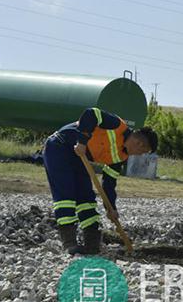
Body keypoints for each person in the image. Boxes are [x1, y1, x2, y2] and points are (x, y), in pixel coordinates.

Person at [43, 107, 157, 255]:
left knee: (86, 198)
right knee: (66, 195)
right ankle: (69, 242)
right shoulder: (116, 125)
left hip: (81, 158)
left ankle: (91, 242)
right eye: (142, 152)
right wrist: (82, 142)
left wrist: (111, 207)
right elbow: (91, 113)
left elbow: (109, 184)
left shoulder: (121, 157)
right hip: (60, 147)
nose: (139, 154)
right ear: (140, 144)